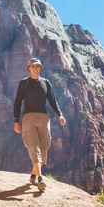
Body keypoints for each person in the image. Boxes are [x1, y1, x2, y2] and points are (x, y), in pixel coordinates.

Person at [13, 58, 66, 192]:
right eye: (33, 66)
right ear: (29, 68)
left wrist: (60, 114)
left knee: (44, 146)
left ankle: (33, 175)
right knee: (33, 145)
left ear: (40, 69)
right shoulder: (24, 83)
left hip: (44, 118)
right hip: (28, 118)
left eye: (38, 66)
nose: (36, 68)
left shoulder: (46, 83)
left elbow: (52, 99)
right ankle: (40, 179)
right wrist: (16, 121)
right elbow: (18, 102)